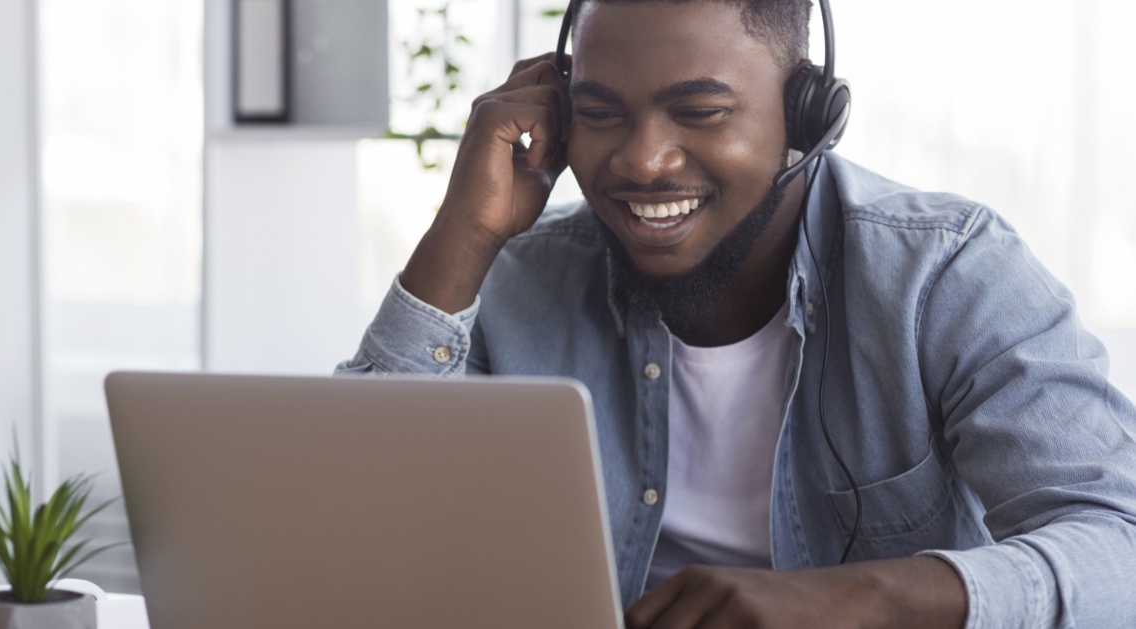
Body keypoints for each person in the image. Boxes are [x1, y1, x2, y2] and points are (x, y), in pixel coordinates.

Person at [337, 0, 1136, 627]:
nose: (642, 160)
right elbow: (344, 529)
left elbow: (1118, 547)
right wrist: (464, 231)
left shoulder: (947, 270)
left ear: (807, 115)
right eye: (602, 112)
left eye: (700, 111)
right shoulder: (517, 274)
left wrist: (857, 602)